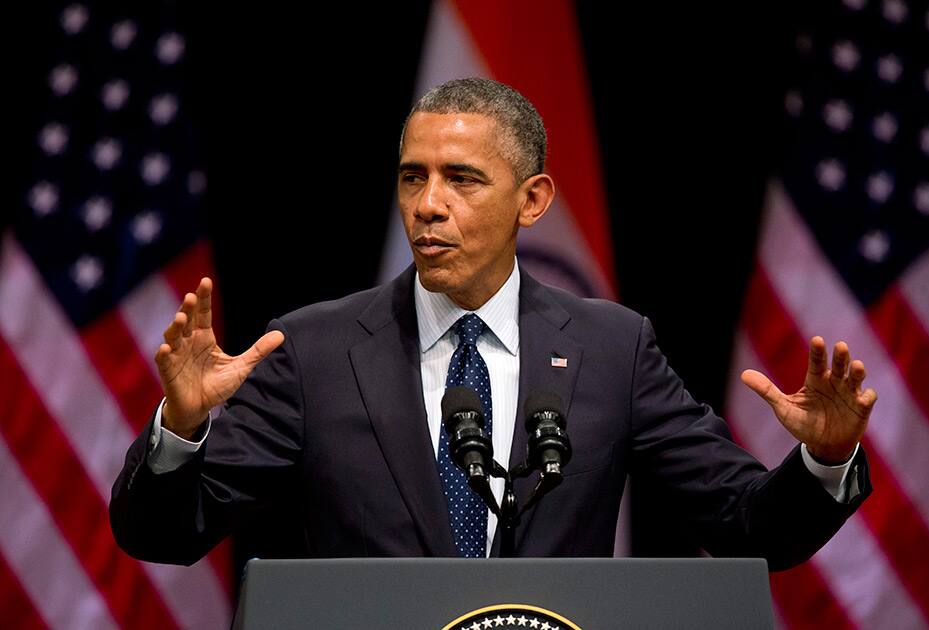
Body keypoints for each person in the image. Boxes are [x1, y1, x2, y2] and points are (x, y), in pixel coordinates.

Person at [110, 78, 875, 568]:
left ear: (533, 200)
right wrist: (180, 427)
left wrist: (826, 461)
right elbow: (163, 537)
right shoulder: (315, 351)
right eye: (413, 177)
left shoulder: (614, 349)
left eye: (461, 179)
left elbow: (749, 528)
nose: (428, 204)